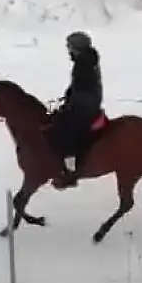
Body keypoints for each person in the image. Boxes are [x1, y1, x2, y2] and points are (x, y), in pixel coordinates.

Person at [54, 30, 104, 186]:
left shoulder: (84, 65)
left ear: (78, 48)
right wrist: (67, 96)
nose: (68, 51)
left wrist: (69, 105)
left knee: (66, 132)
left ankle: (71, 171)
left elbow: (83, 90)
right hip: (85, 102)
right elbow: (77, 87)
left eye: (70, 47)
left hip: (86, 106)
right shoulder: (84, 61)